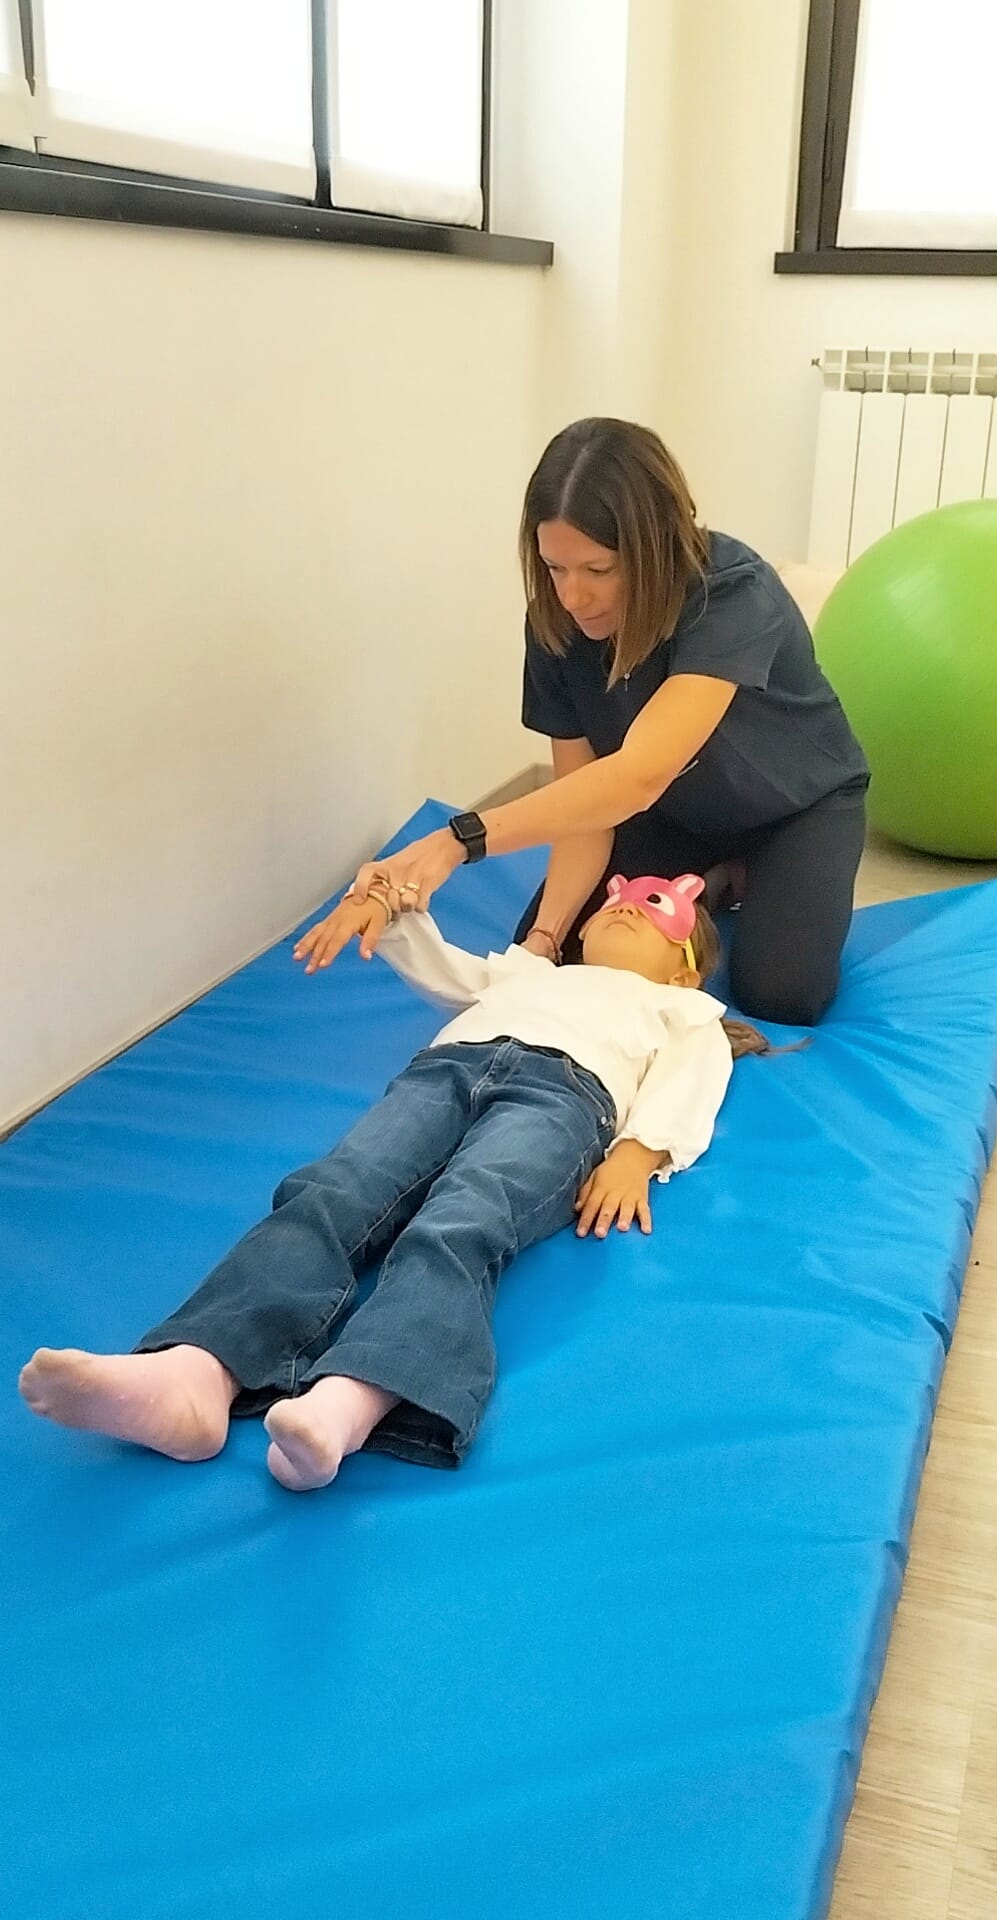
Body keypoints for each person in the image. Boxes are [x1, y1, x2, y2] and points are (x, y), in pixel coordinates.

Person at [19, 872, 756, 1493]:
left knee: (464, 1218)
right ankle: (196, 1371)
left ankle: (350, 1399)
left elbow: (695, 1076)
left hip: (565, 1098)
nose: (626, 906)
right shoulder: (534, 973)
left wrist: (639, 1152)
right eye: (616, 902)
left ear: (684, 970)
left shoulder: (682, 1008)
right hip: (445, 1070)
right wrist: (397, 916)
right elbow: (449, 972)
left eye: (653, 912)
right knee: (333, 1191)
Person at [341, 418, 869, 1026]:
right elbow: (584, 804)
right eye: (555, 568)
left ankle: (739, 879)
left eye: (597, 571)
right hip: (673, 814)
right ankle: (710, 879)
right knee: (563, 958)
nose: (573, 597)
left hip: (794, 809)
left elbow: (641, 775)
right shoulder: (556, 624)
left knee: (782, 993)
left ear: (655, 550)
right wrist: (543, 941)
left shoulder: (731, 594)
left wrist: (458, 840)